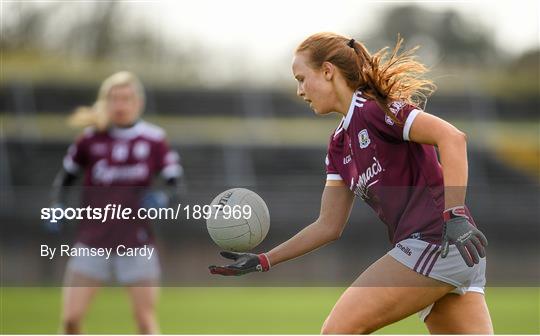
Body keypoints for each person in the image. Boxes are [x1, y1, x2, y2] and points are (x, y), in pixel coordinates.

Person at [209, 33, 492, 334]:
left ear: (328, 71)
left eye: (302, 78)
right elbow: (328, 225)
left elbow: (452, 138)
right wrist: (265, 259)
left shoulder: (374, 109)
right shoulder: (339, 145)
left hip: (437, 243)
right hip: (445, 253)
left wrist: (455, 214)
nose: (299, 90)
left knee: (336, 332)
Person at [46, 71, 183, 334]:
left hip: (136, 242)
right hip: (92, 241)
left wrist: (163, 198)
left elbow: (175, 184)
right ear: (105, 102)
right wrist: (56, 205)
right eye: (115, 99)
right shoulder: (90, 139)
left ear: (138, 103)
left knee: (145, 321)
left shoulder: (154, 139)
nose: (121, 105)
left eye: (127, 99)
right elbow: (65, 179)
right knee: (71, 320)